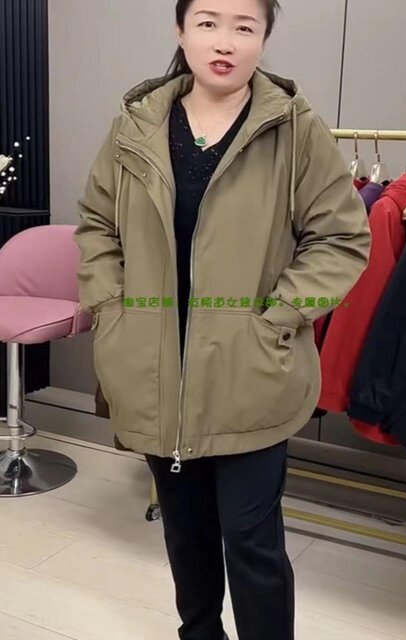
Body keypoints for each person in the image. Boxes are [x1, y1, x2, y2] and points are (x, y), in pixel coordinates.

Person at [74, 1, 371, 638]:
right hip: (153, 370)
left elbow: (342, 238)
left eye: (245, 26)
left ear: (264, 38)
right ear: (180, 30)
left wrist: (278, 317)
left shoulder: (294, 129)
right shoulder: (136, 125)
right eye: (208, 22)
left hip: (250, 372)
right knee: (186, 535)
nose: (225, 41)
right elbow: (97, 224)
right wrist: (112, 308)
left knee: (251, 540)